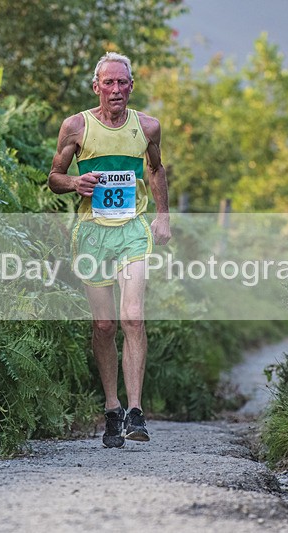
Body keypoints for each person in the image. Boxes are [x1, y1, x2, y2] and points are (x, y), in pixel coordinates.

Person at [48, 52, 171, 448]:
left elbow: (155, 168)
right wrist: (75, 183)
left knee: (132, 317)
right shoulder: (76, 127)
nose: (116, 90)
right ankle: (113, 408)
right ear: (97, 86)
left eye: (123, 83)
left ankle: (136, 412)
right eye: (109, 83)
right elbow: (53, 177)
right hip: (91, 233)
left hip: (132, 232)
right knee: (104, 326)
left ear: (131, 86)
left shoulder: (147, 126)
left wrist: (163, 215)